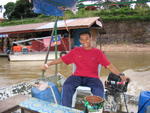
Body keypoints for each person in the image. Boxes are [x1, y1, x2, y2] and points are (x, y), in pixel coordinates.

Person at [42, 31, 127, 107]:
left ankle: (95, 110)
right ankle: (66, 109)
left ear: (90, 39)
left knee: (99, 89)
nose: (85, 41)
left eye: (87, 39)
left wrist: (120, 74)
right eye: (82, 39)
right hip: (77, 76)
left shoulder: (98, 53)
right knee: (67, 85)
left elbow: (109, 66)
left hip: (93, 78)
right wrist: (48, 64)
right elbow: (61, 59)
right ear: (80, 41)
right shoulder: (75, 51)